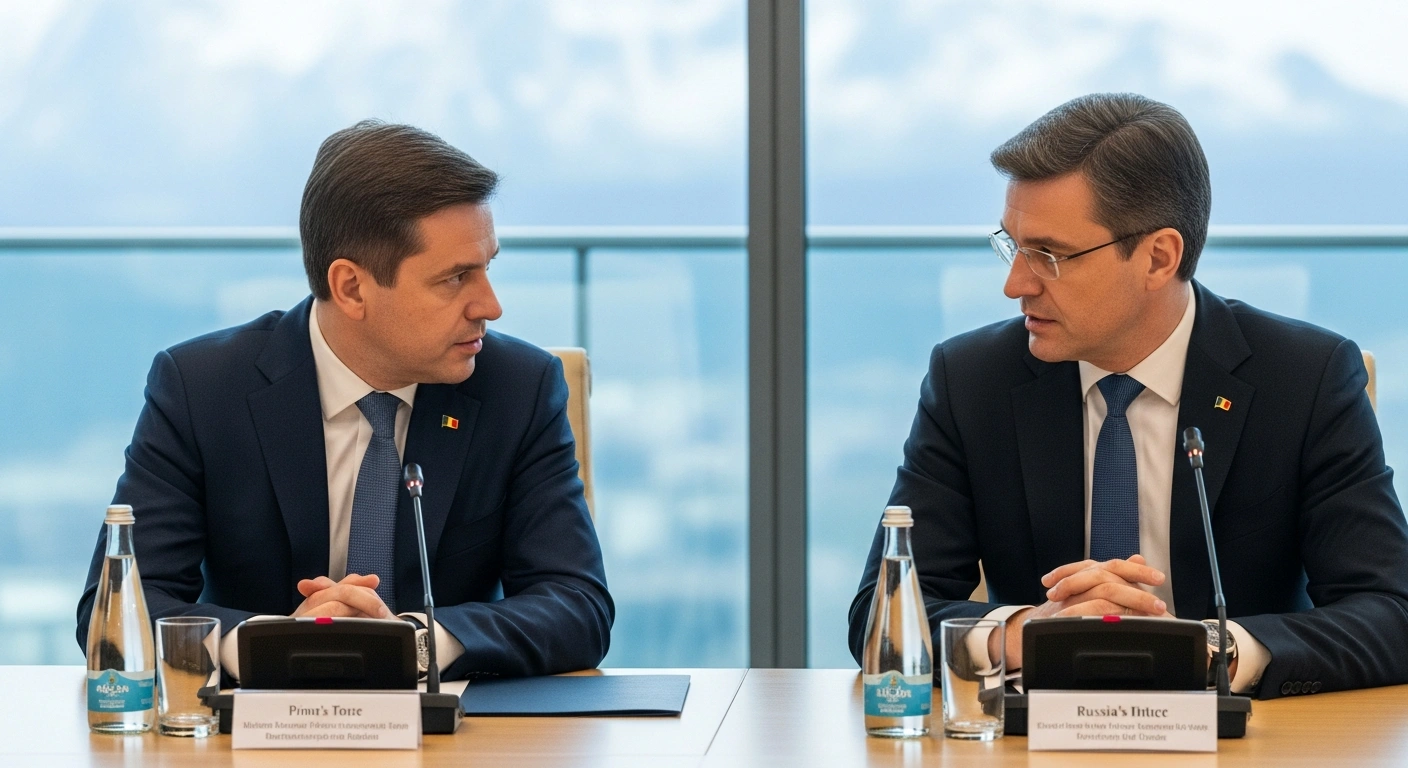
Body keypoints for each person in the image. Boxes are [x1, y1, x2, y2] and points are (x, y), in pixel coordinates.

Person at [847, 93, 1408, 699]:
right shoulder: (972, 379)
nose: (1015, 284)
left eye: (1051, 255)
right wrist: (1028, 632)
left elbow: (1390, 611)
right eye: (1012, 245)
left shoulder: (1304, 378)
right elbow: (881, 616)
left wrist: (1206, 648)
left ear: (1158, 257)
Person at [76, 120, 613, 681]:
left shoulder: (519, 388)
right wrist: (272, 644)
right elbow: (113, 613)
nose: (491, 305)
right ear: (352, 287)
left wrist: (413, 641)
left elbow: (578, 604)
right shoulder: (201, 389)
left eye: (487, 267)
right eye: (456, 278)